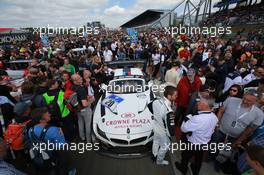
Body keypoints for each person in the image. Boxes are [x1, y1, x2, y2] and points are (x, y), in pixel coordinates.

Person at [175, 96, 218, 175]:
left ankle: (183, 169)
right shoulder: (214, 117)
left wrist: (186, 119)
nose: (197, 103)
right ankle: (195, 171)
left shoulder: (197, 118)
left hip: (193, 143)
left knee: (185, 156)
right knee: (199, 158)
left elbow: (183, 129)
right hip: (205, 142)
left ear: (205, 105)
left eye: (200, 102)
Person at [152, 85, 177, 165]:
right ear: (169, 96)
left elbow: (150, 107)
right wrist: (170, 137)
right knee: (165, 146)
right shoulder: (169, 111)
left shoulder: (156, 100)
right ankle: (159, 161)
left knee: (156, 141)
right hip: (162, 131)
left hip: (155, 126)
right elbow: (171, 130)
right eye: (175, 95)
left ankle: (154, 155)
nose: (176, 97)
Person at [71, 73, 92, 142]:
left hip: (77, 109)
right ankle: (88, 140)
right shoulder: (81, 89)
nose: (81, 79)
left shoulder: (72, 87)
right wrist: (91, 101)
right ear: (75, 81)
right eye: (79, 78)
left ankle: (82, 137)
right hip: (85, 110)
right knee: (88, 124)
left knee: (80, 123)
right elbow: (85, 104)